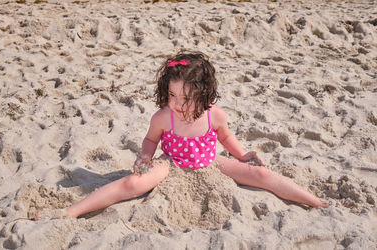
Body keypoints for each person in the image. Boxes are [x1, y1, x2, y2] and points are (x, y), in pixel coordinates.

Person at [37, 52, 328, 220]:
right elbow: (151, 140)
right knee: (130, 183)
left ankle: (314, 201)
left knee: (263, 175)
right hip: (172, 165)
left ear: (204, 94)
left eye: (186, 97)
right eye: (172, 94)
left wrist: (242, 156)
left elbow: (225, 137)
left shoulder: (215, 114)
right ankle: (71, 212)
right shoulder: (164, 117)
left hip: (212, 164)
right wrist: (146, 157)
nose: (177, 102)